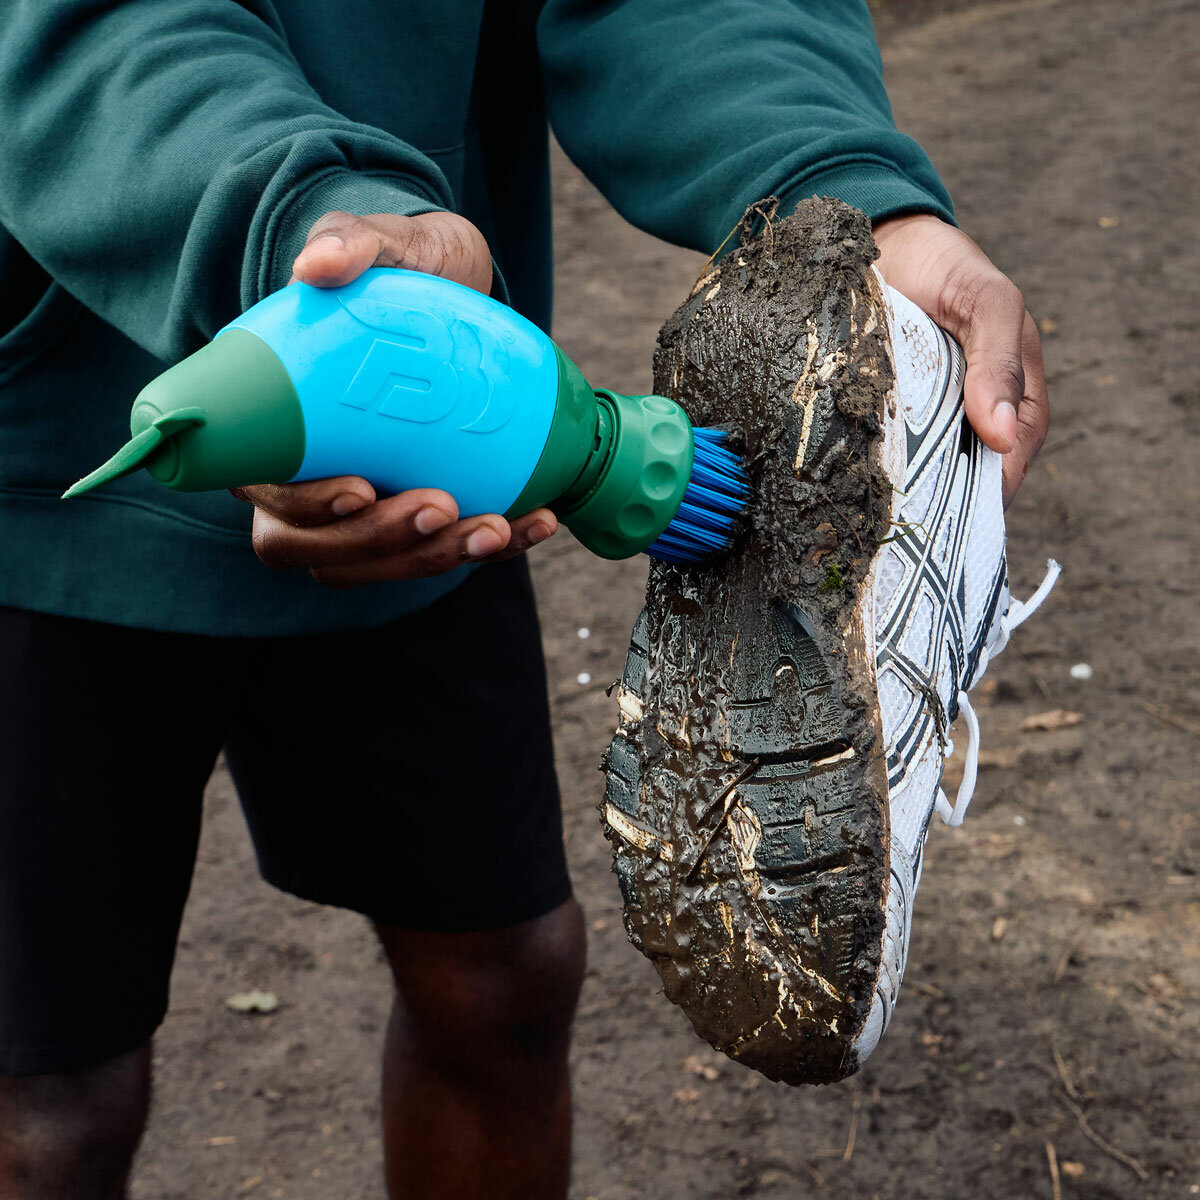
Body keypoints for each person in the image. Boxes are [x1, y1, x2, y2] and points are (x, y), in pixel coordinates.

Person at [0, 1, 1048, 1196]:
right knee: (51, 1097)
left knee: (503, 985)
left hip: (435, 421)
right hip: (47, 463)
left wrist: (842, 184)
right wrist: (298, 219)